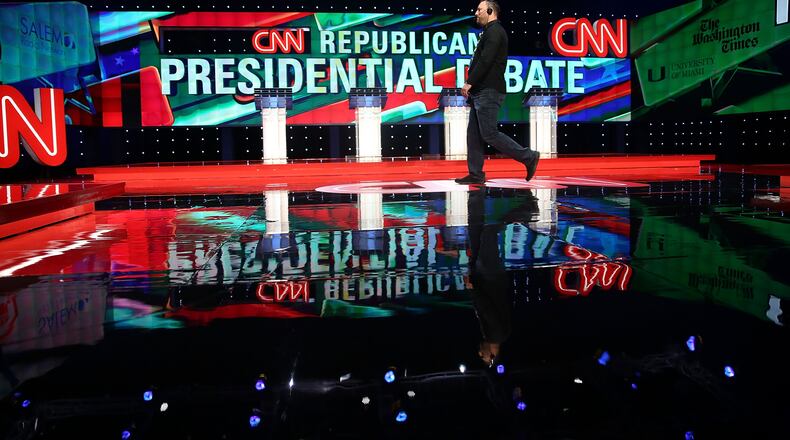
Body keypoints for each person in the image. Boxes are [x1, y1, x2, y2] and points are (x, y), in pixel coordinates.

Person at [455, 1, 540, 185]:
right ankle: (476, 174)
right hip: (481, 91)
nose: (476, 13)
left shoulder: (495, 31)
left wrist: (469, 82)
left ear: (490, 11)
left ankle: (528, 156)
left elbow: (486, 60)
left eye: (479, 10)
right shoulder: (489, 31)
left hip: (489, 90)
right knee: (474, 135)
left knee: (489, 134)